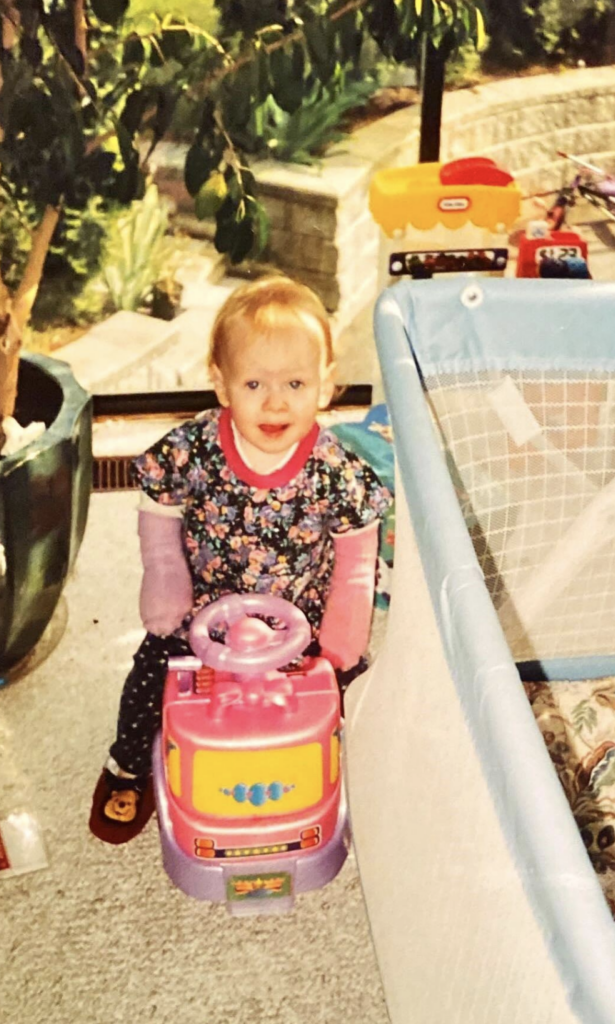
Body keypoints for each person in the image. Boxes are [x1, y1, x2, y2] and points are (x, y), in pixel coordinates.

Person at [89, 276, 391, 844]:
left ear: (326, 387)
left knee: (357, 688)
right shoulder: (195, 448)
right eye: (254, 382)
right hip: (203, 614)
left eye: (296, 383)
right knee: (150, 673)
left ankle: (362, 772)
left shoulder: (336, 469)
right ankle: (128, 761)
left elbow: (357, 551)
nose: (276, 402)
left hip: (301, 622)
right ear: (221, 384)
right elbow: (160, 505)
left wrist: (343, 633)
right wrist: (165, 576)